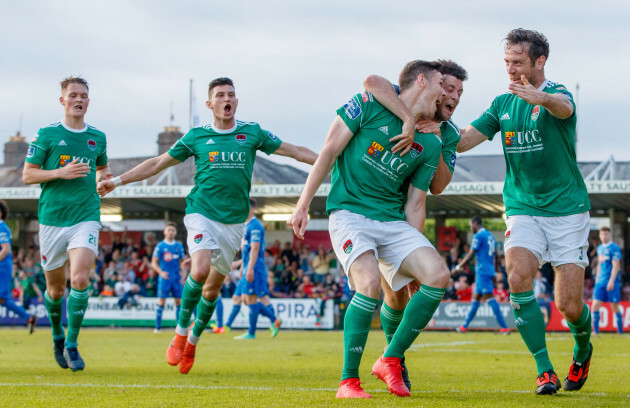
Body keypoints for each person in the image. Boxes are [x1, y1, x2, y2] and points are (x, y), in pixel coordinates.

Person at [97, 77, 317, 374]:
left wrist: (331, 160)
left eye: (231, 95)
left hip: (233, 223)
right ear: (210, 103)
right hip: (201, 212)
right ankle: (179, 332)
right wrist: (118, 181)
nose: (227, 99)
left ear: (236, 102)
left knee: (212, 289)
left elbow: (294, 151)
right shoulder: (197, 136)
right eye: (220, 95)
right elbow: (158, 163)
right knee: (199, 270)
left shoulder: (251, 133)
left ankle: (192, 344)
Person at [288, 60, 449, 399]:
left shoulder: (432, 142)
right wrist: (303, 204)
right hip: (350, 213)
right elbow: (329, 151)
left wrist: (415, 255)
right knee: (370, 284)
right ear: (422, 81)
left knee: (437, 275)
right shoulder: (368, 104)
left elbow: (416, 205)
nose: (445, 93)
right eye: (441, 85)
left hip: (390, 221)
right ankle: (348, 382)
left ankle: (389, 359)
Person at [457, 29, 593, 395]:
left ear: (540, 61)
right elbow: (466, 138)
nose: (511, 69)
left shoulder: (558, 94)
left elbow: (565, 107)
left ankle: (582, 348)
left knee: (568, 305)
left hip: (567, 210)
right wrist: (434, 124)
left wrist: (542, 97)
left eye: (517, 62)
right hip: (522, 207)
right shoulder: (503, 102)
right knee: (517, 277)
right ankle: (544, 369)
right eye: (507, 62)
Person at [363, 60, 469, 390]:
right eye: (448, 89)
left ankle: (393, 357)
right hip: (372, 210)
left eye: (459, 93)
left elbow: (438, 187)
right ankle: (396, 360)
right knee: (393, 297)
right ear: (433, 88)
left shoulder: (448, 133)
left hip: (404, 218)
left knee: (406, 291)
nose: (452, 97)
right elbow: (372, 81)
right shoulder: (400, 101)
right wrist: (408, 118)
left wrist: (436, 142)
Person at [23, 76, 112, 371]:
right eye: (73, 95)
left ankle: (72, 344)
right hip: (52, 220)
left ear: (88, 100)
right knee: (56, 291)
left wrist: (105, 181)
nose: (79, 99)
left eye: (84, 95)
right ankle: (58, 335)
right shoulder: (47, 135)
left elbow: (103, 168)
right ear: (62, 100)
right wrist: (59, 173)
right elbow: (28, 175)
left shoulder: (97, 137)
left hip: (85, 217)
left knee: (80, 279)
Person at [233, 199, 282, 340]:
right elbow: (246, 251)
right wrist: (243, 266)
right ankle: (274, 320)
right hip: (249, 265)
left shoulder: (255, 226)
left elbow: (255, 249)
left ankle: (251, 332)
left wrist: (250, 269)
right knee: (245, 299)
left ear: (252, 209)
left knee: (252, 298)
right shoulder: (246, 226)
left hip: (255, 267)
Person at [453, 216, 510, 334]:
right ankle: (464, 326)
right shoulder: (490, 235)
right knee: (475, 299)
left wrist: (458, 268)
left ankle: (504, 327)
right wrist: (495, 270)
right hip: (486, 271)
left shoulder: (478, 236)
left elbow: (470, 254)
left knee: (490, 298)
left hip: (483, 271)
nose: (470, 228)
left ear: (475, 224)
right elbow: (496, 254)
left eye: (470, 225)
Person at [0, 200, 37, 333]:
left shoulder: (2, 228)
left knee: (2, 299)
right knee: (4, 300)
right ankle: (28, 317)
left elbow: (5, 249)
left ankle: (28, 317)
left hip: (2, 267)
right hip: (3, 267)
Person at [151, 222, 186, 333]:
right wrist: (161, 272)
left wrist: (183, 275)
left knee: (178, 302)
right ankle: (157, 327)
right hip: (165, 278)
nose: (171, 232)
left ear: (175, 232)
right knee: (161, 301)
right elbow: (154, 263)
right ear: (164, 231)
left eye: (173, 230)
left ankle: (178, 328)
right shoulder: (160, 246)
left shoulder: (178, 246)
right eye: (169, 230)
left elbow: (183, 263)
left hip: (176, 278)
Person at [592, 227, 623, 335]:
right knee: (595, 305)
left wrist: (611, 281)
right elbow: (600, 265)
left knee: (614, 306)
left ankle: (620, 331)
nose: (604, 236)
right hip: (600, 281)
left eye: (606, 234)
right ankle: (595, 331)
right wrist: (596, 280)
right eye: (602, 234)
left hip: (612, 282)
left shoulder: (614, 248)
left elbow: (616, 266)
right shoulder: (600, 248)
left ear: (610, 235)